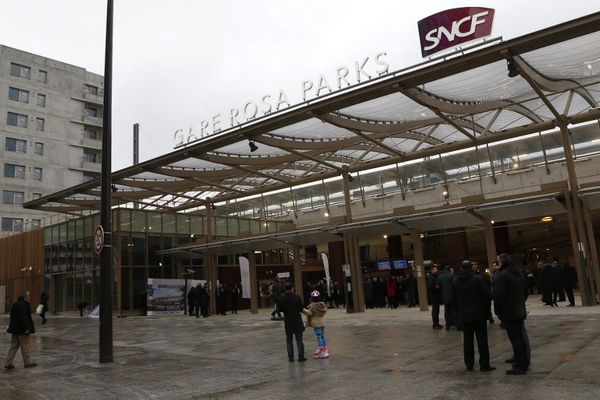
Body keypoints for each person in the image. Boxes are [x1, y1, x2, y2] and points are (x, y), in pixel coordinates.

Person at [453, 260, 495, 372]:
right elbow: (486, 296)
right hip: (479, 314)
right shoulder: (478, 279)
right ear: (471, 268)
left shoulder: (456, 281)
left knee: (467, 340)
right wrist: (486, 311)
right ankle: (484, 364)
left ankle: (469, 364)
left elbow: (454, 299)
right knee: (482, 340)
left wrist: (459, 311)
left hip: (464, 315)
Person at [494, 253, 530, 375]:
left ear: (502, 262)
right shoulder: (519, 274)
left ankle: (520, 366)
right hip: (519, 310)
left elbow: (499, 296)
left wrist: (498, 311)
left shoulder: (502, 276)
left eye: (498, 261)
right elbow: (526, 292)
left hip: (509, 312)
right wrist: (519, 303)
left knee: (515, 339)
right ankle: (524, 362)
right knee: (520, 337)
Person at [4, 290, 37, 370]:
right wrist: (26, 328)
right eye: (28, 296)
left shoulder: (16, 304)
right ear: (24, 297)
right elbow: (23, 317)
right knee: (25, 346)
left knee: (13, 346)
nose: (29, 297)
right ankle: (27, 362)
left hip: (15, 330)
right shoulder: (22, 305)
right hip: (22, 330)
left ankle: (8, 363)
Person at [275, 283, 306, 362]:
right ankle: (301, 357)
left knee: (289, 340)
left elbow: (279, 309)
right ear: (292, 288)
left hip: (288, 321)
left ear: (285, 289)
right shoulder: (297, 297)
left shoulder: (281, 298)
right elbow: (301, 308)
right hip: (297, 320)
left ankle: (291, 358)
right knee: (299, 340)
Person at [303, 290, 329, 359]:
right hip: (322, 323)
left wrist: (303, 310)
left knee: (319, 337)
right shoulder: (322, 305)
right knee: (322, 336)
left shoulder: (313, 306)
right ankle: (324, 349)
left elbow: (309, 313)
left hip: (316, 324)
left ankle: (321, 350)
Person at [438, 265, 458, 330]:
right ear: (449, 269)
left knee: (446, 311)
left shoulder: (440, 277)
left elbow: (438, 286)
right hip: (452, 296)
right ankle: (456, 323)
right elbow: (456, 284)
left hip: (444, 296)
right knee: (453, 310)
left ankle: (448, 325)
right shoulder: (452, 276)